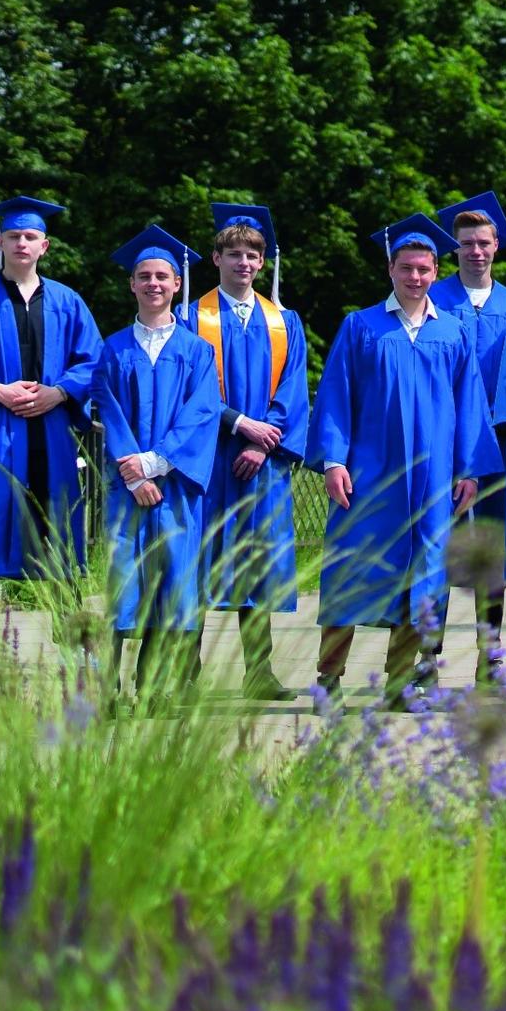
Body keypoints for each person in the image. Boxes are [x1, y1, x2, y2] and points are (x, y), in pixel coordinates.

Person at [307, 215, 499, 707]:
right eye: (406, 268)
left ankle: (398, 682)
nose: (415, 277)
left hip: (433, 480)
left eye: (424, 269)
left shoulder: (453, 332)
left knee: (423, 576)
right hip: (369, 476)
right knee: (352, 570)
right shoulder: (361, 326)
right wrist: (333, 461)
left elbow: (470, 405)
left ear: (436, 271)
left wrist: (470, 470)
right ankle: (328, 678)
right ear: (391, 270)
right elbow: (336, 398)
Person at [0, 196, 103, 657]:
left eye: (30, 237)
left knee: (61, 551)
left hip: (50, 438)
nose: (22, 243)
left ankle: (77, 661)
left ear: (44, 246)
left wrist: (60, 392)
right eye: (14, 237)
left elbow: (92, 362)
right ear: (0, 242)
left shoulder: (68, 302)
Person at [92, 227, 221, 702]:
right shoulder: (113, 349)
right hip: (127, 492)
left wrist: (155, 463)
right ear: (132, 285)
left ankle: (155, 690)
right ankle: (104, 691)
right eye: (144, 276)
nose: (153, 284)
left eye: (161, 276)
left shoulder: (197, 351)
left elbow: (202, 413)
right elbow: (107, 409)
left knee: (172, 588)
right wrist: (132, 473)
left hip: (175, 489)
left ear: (176, 285)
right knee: (123, 587)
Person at [197, 202, 309, 701]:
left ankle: (259, 672)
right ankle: (184, 673)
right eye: (233, 254)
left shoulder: (284, 321)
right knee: (196, 560)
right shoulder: (190, 318)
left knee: (257, 564)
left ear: (263, 263)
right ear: (216, 258)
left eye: (251, 255)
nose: (243, 263)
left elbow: (294, 391)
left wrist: (266, 444)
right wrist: (239, 424)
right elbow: (189, 391)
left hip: (261, 465)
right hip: (207, 460)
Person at [432, 191, 506, 680]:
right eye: (467, 243)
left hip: (499, 442)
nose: (476, 251)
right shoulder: (432, 300)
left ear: (497, 246)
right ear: (455, 248)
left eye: (483, 242)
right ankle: (425, 656)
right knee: (437, 549)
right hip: (440, 444)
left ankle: (489, 656)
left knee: (491, 550)